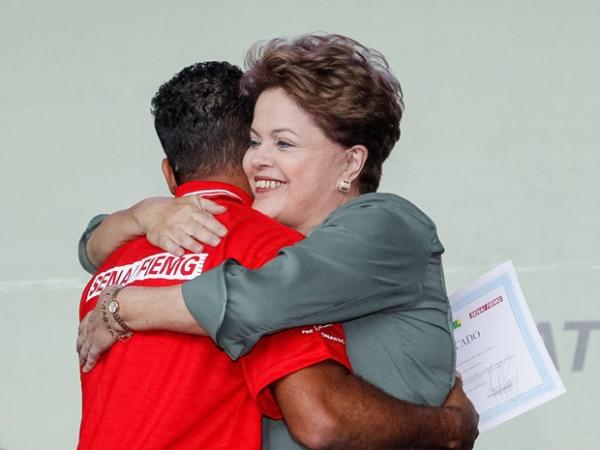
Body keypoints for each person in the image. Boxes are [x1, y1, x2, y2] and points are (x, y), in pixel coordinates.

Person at [78, 35, 479, 449]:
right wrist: (143, 214)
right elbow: (93, 246)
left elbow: (259, 298)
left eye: (283, 143)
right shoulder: (274, 247)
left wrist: (125, 306)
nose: (256, 160)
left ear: (351, 162)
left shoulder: (385, 224)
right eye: (254, 142)